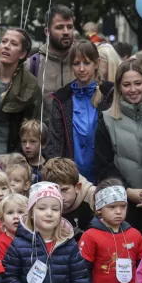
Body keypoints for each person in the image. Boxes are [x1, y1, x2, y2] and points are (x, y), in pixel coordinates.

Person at [95, 58, 142, 239]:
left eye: (138, 83)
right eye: (126, 84)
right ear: (119, 86)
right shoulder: (107, 119)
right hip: (124, 203)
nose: (133, 89)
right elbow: (103, 163)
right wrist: (127, 191)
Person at [45, 40, 115, 183]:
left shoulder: (110, 93)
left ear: (96, 63)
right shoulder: (61, 98)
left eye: (87, 63)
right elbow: (55, 144)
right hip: (71, 180)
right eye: (76, 64)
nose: (81, 69)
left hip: (106, 176)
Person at [0, 29, 42, 166]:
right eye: (4, 41)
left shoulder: (30, 86)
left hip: (15, 163)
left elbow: (31, 131)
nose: (6, 46)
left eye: (13, 43)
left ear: (22, 54)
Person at [29, 6, 76, 94]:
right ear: (47, 31)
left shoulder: (84, 61)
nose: (66, 32)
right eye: (59, 27)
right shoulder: (33, 63)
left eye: (69, 27)